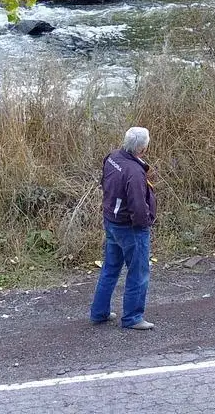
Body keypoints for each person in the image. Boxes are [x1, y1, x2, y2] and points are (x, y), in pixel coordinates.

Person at [89, 126, 157, 330]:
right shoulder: (134, 171)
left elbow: (105, 183)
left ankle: (99, 312)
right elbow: (137, 205)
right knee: (138, 272)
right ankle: (133, 318)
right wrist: (144, 224)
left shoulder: (112, 158)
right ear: (143, 148)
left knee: (110, 268)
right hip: (130, 228)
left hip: (111, 221)